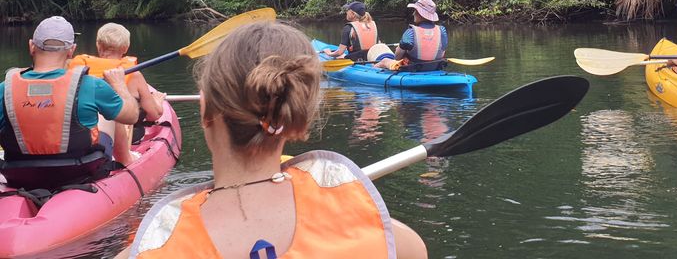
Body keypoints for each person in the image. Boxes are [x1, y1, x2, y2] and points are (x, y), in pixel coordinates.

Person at [121, 21, 427, 259]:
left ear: (205, 110)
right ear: (298, 121)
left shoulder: (149, 249)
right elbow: (414, 248)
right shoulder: (392, 239)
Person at [0, 16, 139, 190]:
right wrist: (119, 85)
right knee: (109, 114)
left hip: (21, 175)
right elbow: (132, 116)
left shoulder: (4, 89)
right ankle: (126, 159)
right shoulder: (91, 85)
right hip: (80, 172)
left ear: (31, 46)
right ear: (71, 50)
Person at [69, 23, 165, 165]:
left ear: (98, 45)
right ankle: (125, 157)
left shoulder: (77, 72)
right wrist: (158, 101)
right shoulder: (134, 75)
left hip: (81, 135)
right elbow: (154, 114)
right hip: (124, 138)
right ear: (125, 48)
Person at [373, 0, 448, 72]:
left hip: (412, 69)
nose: (413, 13)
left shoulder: (410, 33)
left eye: (415, 11)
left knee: (384, 60)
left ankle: (371, 71)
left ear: (420, 14)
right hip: (434, 68)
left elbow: (397, 57)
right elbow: (442, 53)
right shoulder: (442, 31)